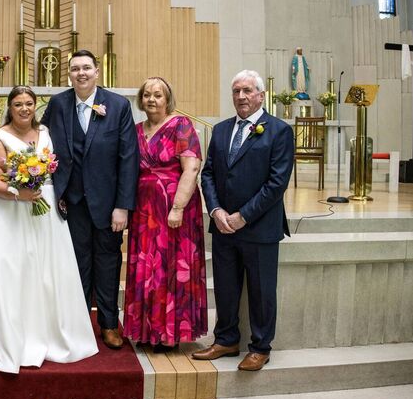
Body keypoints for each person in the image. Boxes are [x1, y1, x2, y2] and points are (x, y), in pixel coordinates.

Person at [0, 86, 98, 373]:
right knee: (12, 271)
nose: (24, 108)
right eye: (18, 104)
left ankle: (51, 333)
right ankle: (11, 336)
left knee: (48, 272)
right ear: (10, 107)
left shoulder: (45, 133)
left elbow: (55, 168)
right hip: (10, 212)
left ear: (34, 106)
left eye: (29, 103)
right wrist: (19, 193)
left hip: (45, 210)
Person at [193, 69, 294, 371]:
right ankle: (226, 340)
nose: (241, 96)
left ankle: (261, 346)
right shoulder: (221, 130)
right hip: (223, 226)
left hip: (260, 227)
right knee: (225, 287)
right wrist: (216, 211)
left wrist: (243, 216)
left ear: (261, 96)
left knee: (261, 291)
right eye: (236, 91)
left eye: (247, 91)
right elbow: (208, 174)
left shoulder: (279, 131)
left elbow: (276, 183)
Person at [40, 49, 139, 349]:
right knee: (76, 265)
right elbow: (42, 140)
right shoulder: (58, 104)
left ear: (97, 71)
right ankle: (79, 324)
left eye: (86, 68)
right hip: (71, 202)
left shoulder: (118, 105)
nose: (80, 73)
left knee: (108, 264)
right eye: (75, 69)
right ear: (69, 74)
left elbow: (128, 158)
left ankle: (108, 324)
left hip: (108, 204)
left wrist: (122, 206)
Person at [123, 77, 207, 351]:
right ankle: (147, 330)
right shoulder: (136, 130)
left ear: (168, 99)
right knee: (147, 267)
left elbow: (191, 168)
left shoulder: (181, 125)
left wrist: (178, 207)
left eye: (158, 95)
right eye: (147, 95)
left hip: (174, 208)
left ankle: (169, 333)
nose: (151, 99)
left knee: (170, 267)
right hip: (145, 211)